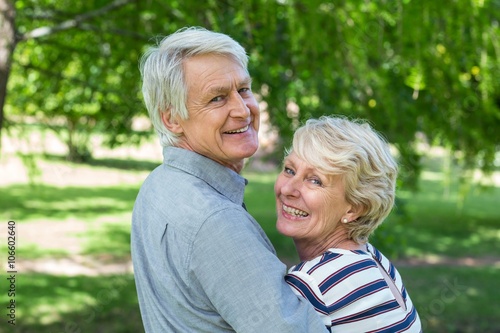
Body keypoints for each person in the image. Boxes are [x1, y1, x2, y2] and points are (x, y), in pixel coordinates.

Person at [131, 27, 327, 332]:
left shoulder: (158, 185)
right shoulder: (216, 221)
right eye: (217, 98)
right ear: (172, 118)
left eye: (244, 90)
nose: (242, 110)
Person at [274, 115, 422, 332]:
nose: (288, 189)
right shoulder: (375, 261)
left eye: (315, 180)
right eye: (290, 170)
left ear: (354, 208)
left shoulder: (316, 283)